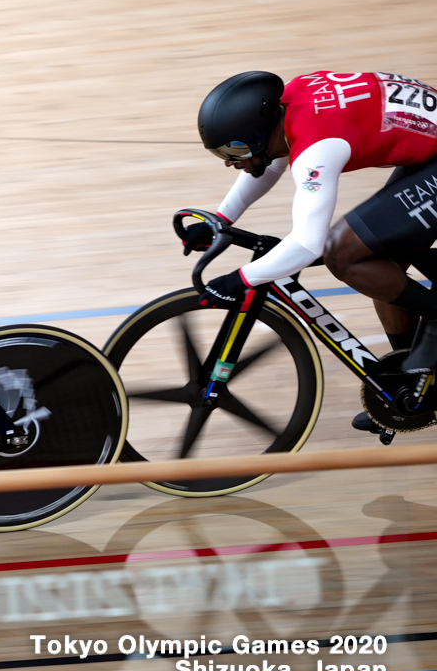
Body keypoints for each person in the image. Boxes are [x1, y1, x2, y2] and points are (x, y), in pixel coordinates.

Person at [179, 70, 437, 427]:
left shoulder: (317, 148)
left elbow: (306, 243)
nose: (227, 160)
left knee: (343, 253)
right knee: (378, 260)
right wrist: (223, 217)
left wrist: (240, 279)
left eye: (233, 149)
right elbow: (270, 161)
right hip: (426, 157)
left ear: (256, 133)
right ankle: (412, 381)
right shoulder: (288, 103)